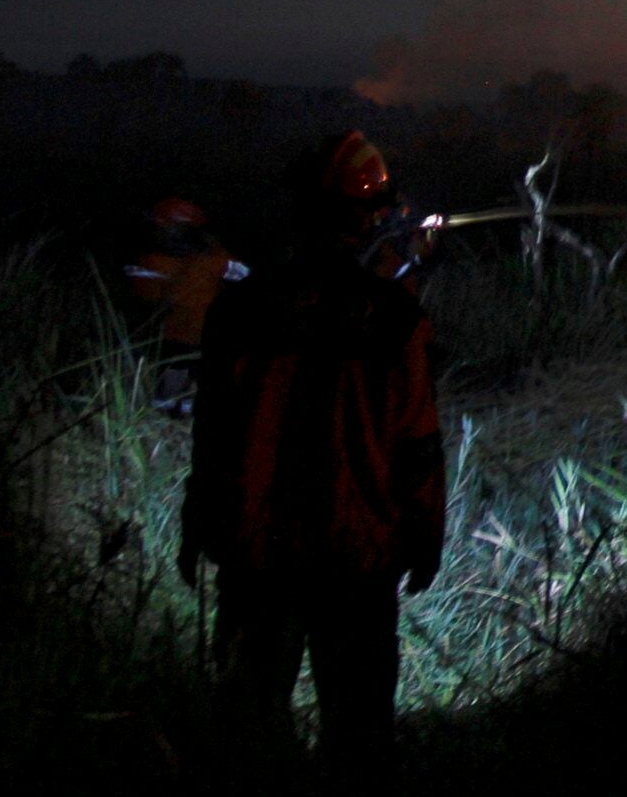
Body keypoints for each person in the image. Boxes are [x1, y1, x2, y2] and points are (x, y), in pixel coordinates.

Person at [180, 130, 445, 768]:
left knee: (245, 736)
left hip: (257, 555)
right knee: (358, 738)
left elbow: (212, 436)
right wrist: (424, 537)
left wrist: (197, 526)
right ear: (368, 218)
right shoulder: (394, 318)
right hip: (358, 559)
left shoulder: (239, 312)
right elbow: (417, 444)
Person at [124, 196, 242, 413]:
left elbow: (248, 279)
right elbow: (143, 298)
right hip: (172, 342)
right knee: (173, 378)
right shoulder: (156, 260)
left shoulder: (214, 259)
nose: (160, 232)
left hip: (200, 340)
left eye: (165, 227)